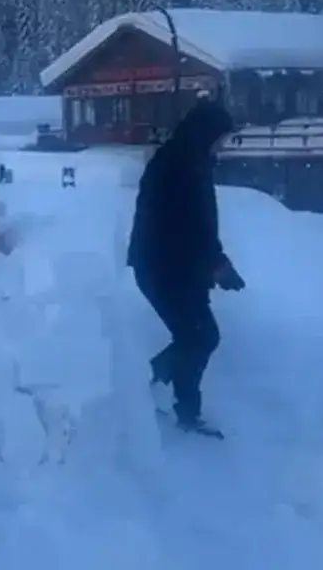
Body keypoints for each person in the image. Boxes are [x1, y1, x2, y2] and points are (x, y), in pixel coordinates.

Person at [127, 99, 244, 436]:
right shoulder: (179, 164)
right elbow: (183, 225)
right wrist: (214, 264)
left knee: (197, 337)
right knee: (199, 337)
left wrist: (217, 261)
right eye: (221, 136)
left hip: (176, 267)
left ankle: (165, 397)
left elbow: (201, 226)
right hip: (162, 267)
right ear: (206, 132)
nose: (223, 143)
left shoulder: (192, 160)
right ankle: (155, 392)